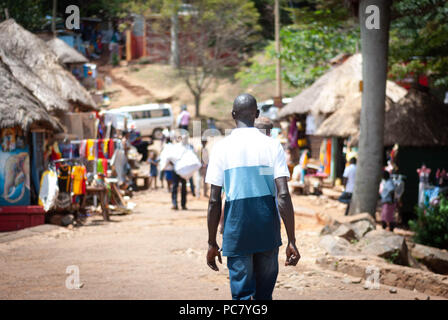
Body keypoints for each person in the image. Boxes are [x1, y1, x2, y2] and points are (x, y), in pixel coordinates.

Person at [205, 93, 300, 300]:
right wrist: (291, 239)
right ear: (256, 114)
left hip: (236, 229)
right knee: (264, 296)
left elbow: (214, 200)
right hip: (267, 229)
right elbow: (283, 194)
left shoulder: (221, 148)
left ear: (232, 115)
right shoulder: (272, 146)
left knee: (242, 297)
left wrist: (212, 242)